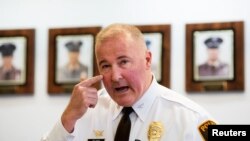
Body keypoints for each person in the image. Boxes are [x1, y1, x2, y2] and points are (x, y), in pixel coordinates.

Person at [42, 24, 216, 141]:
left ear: (147, 60)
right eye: (105, 66)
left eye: (124, 62)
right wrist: (68, 118)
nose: (115, 76)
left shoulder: (190, 117)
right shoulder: (86, 112)